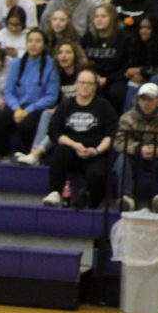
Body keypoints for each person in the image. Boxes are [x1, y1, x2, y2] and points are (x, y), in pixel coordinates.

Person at [40, 67, 117, 209]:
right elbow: (54, 131)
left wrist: (97, 150)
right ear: (76, 84)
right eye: (82, 82)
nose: (85, 86)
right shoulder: (65, 105)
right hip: (70, 150)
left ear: (95, 86)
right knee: (60, 151)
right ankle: (55, 192)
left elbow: (111, 134)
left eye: (89, 83)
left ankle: (90, 202)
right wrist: (75, 145)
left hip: (96, 153)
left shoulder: (104, 106)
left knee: (98, 173)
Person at [0, 28, 59, 160]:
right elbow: (9, 91)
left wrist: (28, 110)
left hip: (37, 107)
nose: (33, 44)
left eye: (38, 41)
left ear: (45, 45)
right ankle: (4, 156)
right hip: (17, 106)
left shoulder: (51, 65)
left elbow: (51, 96)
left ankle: (32, 156)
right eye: (30, 41)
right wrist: (16, 108)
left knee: (26, 125)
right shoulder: (16, 64)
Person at [113, 82, 158, 213]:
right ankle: (126, 198)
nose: (146, 103)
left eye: (150, 99)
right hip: (137, 157)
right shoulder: (127, 117)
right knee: (122, 158)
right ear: (138, 99)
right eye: (143, 99)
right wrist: (138, 149)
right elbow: (118, 142)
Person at [81, 3, 133, 112]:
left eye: (103, 16)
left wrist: (108, 79)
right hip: (92, 78)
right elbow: (82, 64)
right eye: (96, 17)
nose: (99, 20)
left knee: (116, 92)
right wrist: (94, 78)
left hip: (116, 79)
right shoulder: (87, 39)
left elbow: (127, 67)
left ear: (112, 19)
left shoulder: (124, 38)